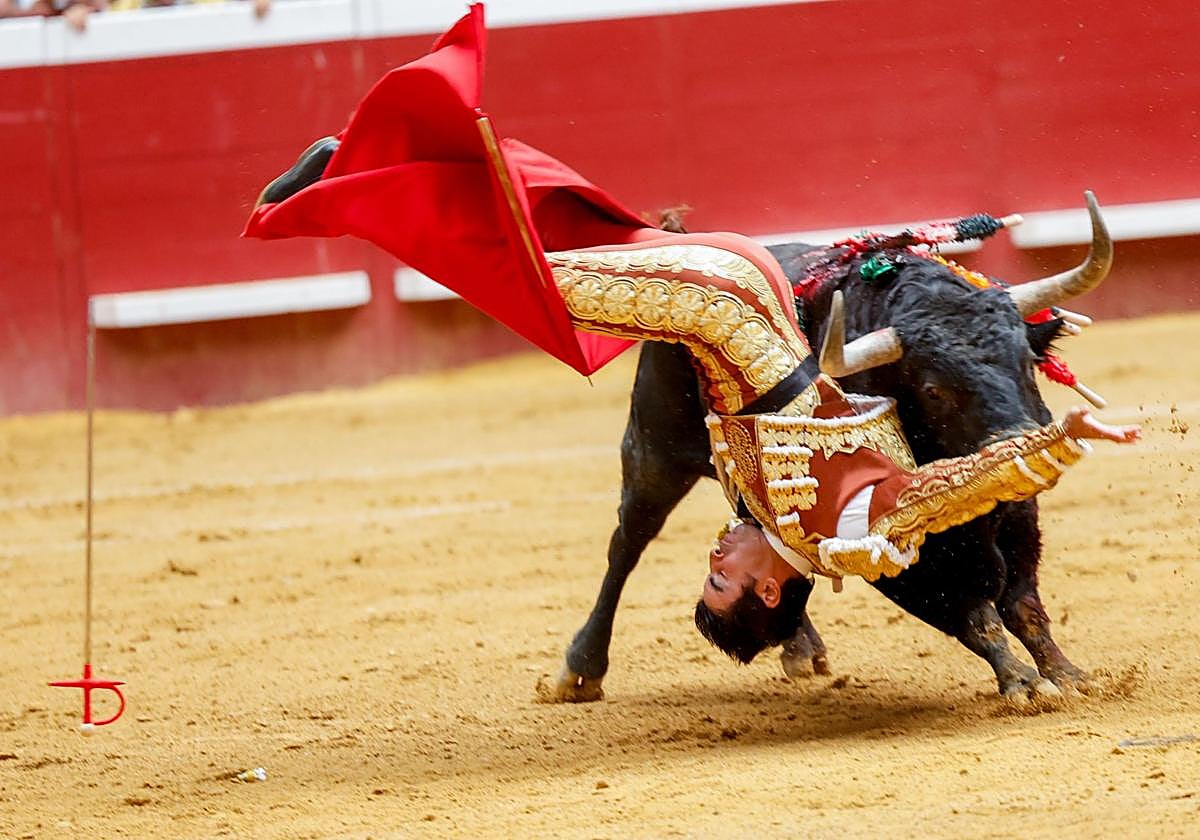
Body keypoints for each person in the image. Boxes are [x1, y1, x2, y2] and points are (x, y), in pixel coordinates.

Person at [245, 4, 1140, 664]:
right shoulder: (844, 534)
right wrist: (1057, 438)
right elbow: (951, 488)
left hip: (730, 303)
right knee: (540, 288)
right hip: (727, 309)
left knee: (569, 260)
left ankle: (381, 165)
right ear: (771, 586)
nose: (712, 555)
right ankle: (355, 175)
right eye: (721, 579)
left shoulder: (777, 519)